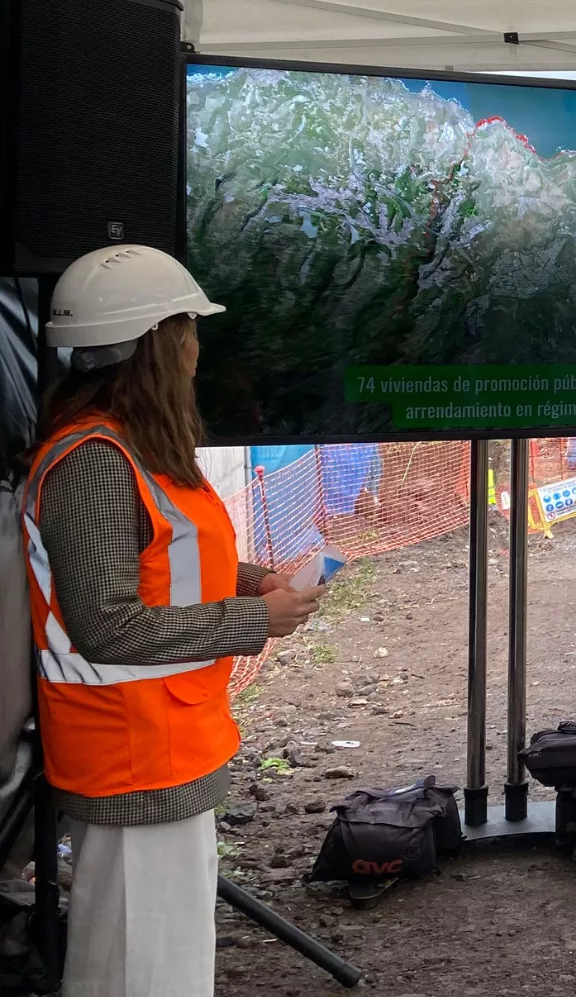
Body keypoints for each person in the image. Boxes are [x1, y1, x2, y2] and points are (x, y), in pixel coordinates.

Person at [25, 244, 327, 996]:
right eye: (188, 325)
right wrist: (254, 623)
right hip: (131, 758)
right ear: (158, 342)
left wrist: (261, 582)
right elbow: (108, 626)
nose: (197, 344)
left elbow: (177, 566)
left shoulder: (138, 449)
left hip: (170, 745)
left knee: (164, 967)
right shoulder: (95, 463)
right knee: (140, 974)